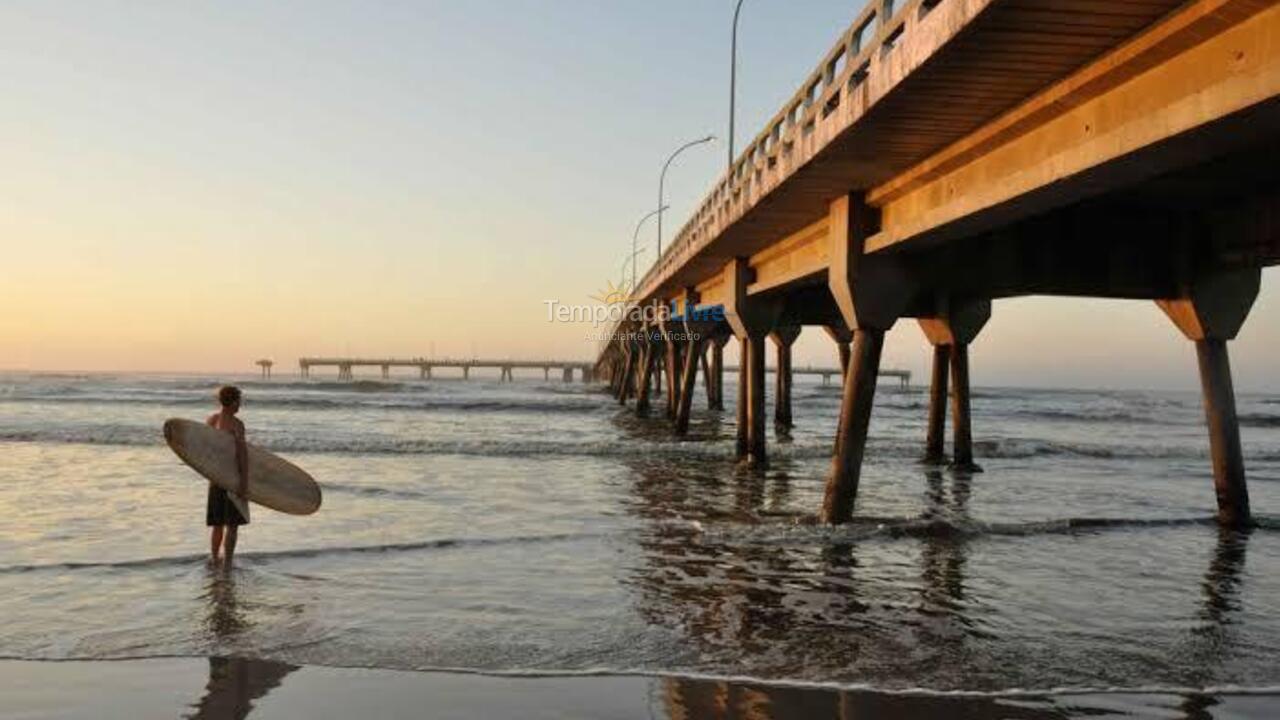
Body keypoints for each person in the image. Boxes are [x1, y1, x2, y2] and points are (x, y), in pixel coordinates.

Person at [206, 385, 249, 564]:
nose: (240, 405)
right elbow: (241, 455)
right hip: (225, 479)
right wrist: (244, 481)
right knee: (226, 524)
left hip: (222, 479)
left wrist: (243, 482)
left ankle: (221, 561)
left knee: (224, 524)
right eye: (239, 401)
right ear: (232, 402)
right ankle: (222, 561)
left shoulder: (215, 421)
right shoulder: (233, 424)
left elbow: (242, 454)